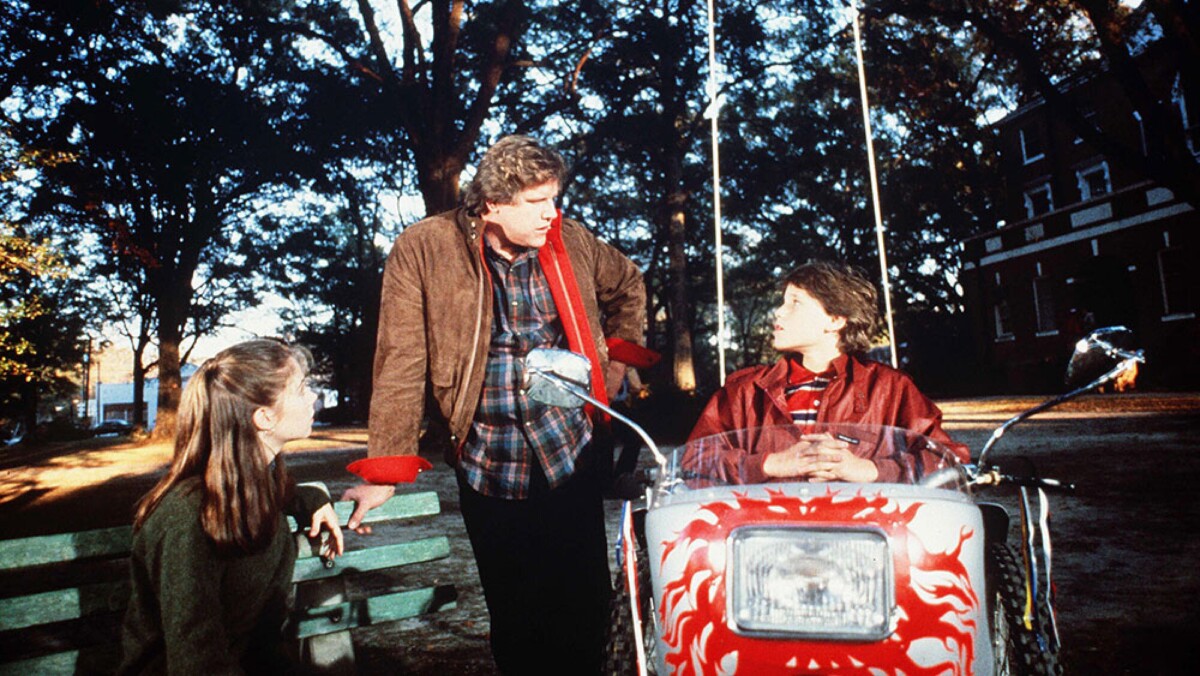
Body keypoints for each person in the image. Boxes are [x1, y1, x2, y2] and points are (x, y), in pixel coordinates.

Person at [340, 135, 647, 673]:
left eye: (555, 198)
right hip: (488, 461)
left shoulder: (572, 239)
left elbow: (628, 286)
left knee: (586, 611)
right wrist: (385, 469)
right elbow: (401, 358)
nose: (553, 214)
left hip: (571, 453)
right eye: (537, 202)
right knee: (519, 621)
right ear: (492, 203)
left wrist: (614, 364)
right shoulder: (424, 248)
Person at [119, 339, 344, 675]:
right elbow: (196, 659)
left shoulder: (253, 486)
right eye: (300, 389)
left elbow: (279, 492)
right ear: (264, 418)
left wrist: (312, 500)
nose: (313, 396)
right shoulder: (186, 519)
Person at [687, 261, 969, 484]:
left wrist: (869, 469)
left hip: (864, 544)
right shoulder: (745, 391)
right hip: (765, 545)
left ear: (835, 319)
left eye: (795, 302)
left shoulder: (890, 388)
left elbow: (950, 461)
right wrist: (771, 464)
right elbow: (692, 462)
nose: (779, 313)